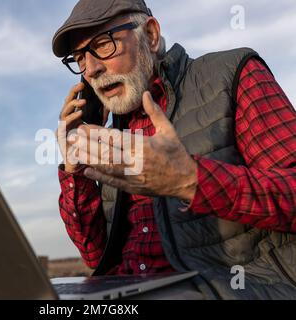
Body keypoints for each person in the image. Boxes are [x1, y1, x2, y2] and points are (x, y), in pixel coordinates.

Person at [52, 0, 296, 299]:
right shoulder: (110, 135)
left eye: (104, 44)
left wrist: (191, 180)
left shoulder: (229, 73)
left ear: (151, 35)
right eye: (79, 58)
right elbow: (95, 257)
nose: (91, 69)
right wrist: (75, 167)